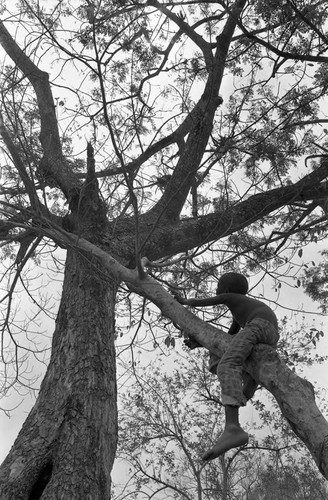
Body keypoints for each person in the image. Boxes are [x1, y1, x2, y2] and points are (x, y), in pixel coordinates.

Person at [176, 272, 279, 460]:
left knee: (227, 365)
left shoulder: (232, 297)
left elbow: (211, 300)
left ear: (226, 290)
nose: (216, 292)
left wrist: (185, 301)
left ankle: (233, 427)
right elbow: (229, 338)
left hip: (258, 326)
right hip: (269, 336)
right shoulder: (242, 311)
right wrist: (200, 343)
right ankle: (248, 387)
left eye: (218, 288)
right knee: (236, 361)